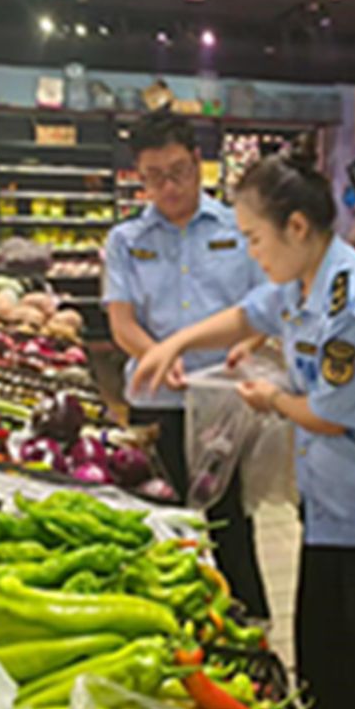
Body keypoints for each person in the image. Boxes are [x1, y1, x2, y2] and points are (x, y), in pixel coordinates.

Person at [132, 154, 355, 709]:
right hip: (334, 518)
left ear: (297, 227)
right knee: (331, 681)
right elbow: (250, 314)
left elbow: (333, 414)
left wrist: (270, 399)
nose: (251, 252)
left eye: (254, 238)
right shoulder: (300, 281)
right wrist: (174, 342)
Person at [103, 110, 270, 620]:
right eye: (153, 177)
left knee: (229, 524)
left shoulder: (240, 229)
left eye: (177, 172)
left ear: (200, 163)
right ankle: (174, 630)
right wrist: (156, 354)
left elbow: (269, 301)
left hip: (224, 402)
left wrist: (253, 341)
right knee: (160, 522)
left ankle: (248, 630)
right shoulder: (125, 241)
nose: (168, 187)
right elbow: (122, 322)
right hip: (157, 402)